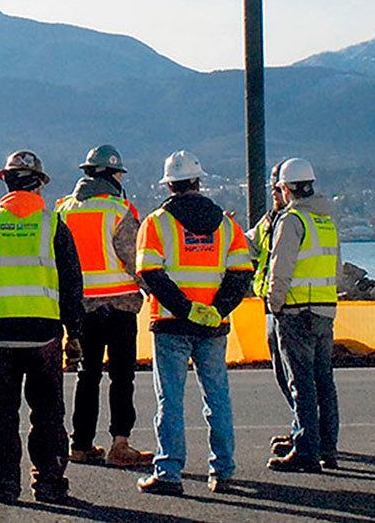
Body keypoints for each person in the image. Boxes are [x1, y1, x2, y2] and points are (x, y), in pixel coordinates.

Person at [0, 150, 85, 505]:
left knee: (1, 413)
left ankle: (1, 486)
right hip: (44, 334)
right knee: (47, 414)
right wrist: (74, 332)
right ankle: (48, 484)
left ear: (6, 182)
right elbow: (71, 284)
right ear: (39, 187)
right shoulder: (54, 225)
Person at [135, 151, 252, 496]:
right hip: (213, 326)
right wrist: (215, 309)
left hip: (171, 323)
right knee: (217, 397)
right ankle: (224, 471)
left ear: (169, 184)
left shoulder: (156, 223)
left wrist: (185, 308)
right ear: (199, 181)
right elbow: (241, 274)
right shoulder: (227, 225)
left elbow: (150, 273)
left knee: (169, 399)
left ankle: (169, 471)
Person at [55, 144, 149, 468]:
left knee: (87, 375)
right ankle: (120, 445)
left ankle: (80, 444)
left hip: (81, 310)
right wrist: (156, 291)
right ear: (111, 175)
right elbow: (136, 258)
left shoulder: (63, 210)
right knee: (122, 376)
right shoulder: (117, 210)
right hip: (120, 306)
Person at [264, 158, 341, 473]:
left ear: (285, 187)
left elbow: (281, 268)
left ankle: (306, 450)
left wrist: (274, 302)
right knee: (324, 381)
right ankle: (328, 447)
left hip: (296, 311)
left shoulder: (292, 220)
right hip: (324, 310)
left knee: (301, 383)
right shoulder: (326, 221)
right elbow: (336, 268)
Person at [248, 160, 293, 420]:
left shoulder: (294, 221)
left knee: (298, 377)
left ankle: (309, 434)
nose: (274, 192)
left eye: (278, 187)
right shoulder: (270, 220)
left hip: (289, 307)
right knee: (282, 373)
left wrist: (277, 302)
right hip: (272, 307)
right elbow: (251, 243)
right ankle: (302, 427)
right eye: (272, 187)